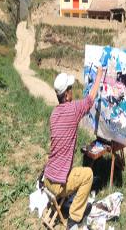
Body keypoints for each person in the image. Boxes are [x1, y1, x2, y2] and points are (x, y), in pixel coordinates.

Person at [43, 66, 103, 229]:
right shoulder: (74, 109)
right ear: (67, 94)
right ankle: (74, 218)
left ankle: (69, 207)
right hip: (57, 185)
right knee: (88, 174)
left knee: (75, 170)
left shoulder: (54, 114)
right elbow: (90, 99)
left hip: (47, 179)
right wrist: (99, 76)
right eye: (71, 88)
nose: (73, 91)